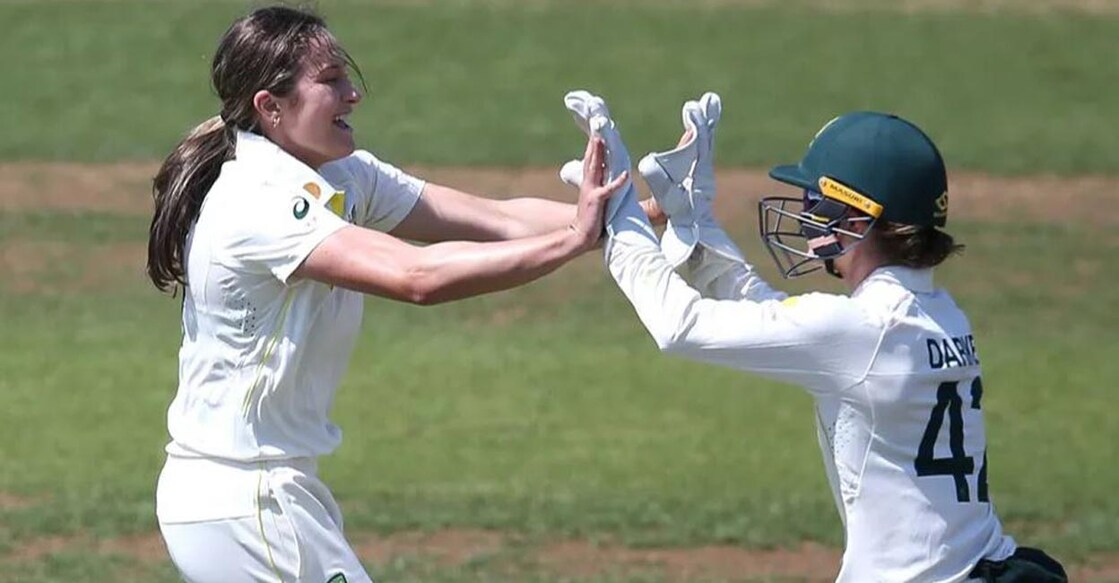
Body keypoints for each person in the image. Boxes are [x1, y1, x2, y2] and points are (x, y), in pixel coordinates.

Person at [144, 6, 647, 582]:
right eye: (330, 80)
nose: (352, 94)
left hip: (261, 491)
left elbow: (497, 218)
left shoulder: (342, 176)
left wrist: (636, 217)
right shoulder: (261, 201)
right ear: (271, 107)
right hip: (243, 499)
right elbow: (418, 278)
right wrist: (573, 242)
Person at [563, 90, 1067, 582]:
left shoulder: (862, 330)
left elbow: (680, 326)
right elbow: (784, 320)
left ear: (860, 216)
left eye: (817, 201)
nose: (805, 213)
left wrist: (621, 209)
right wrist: (699, 226)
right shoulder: (937, 314)